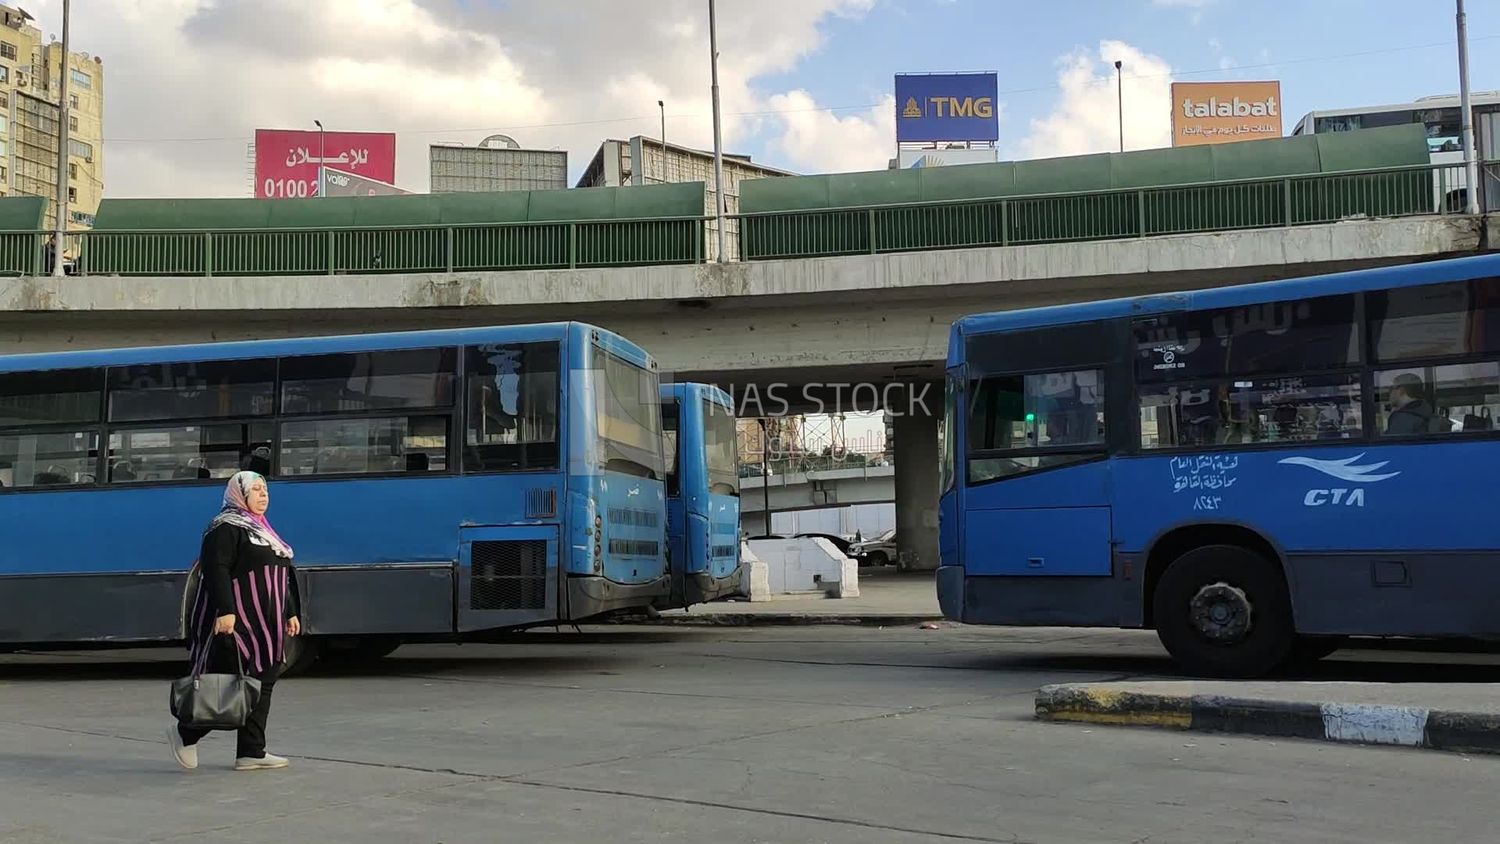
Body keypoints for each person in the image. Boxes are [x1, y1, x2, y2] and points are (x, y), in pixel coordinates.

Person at [167, 472, 301, 772]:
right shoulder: (225, 528)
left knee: (263, 680)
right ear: (239, 494)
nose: (263, 495)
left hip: (267, 622)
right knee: (227, 684)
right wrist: (226, 611)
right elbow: (216, 571)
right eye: (255, 489)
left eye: (264, 489)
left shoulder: (263, 530)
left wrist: (289, 611)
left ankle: (251, 752)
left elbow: (280, 574)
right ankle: (185, 733)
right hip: (238, 619)